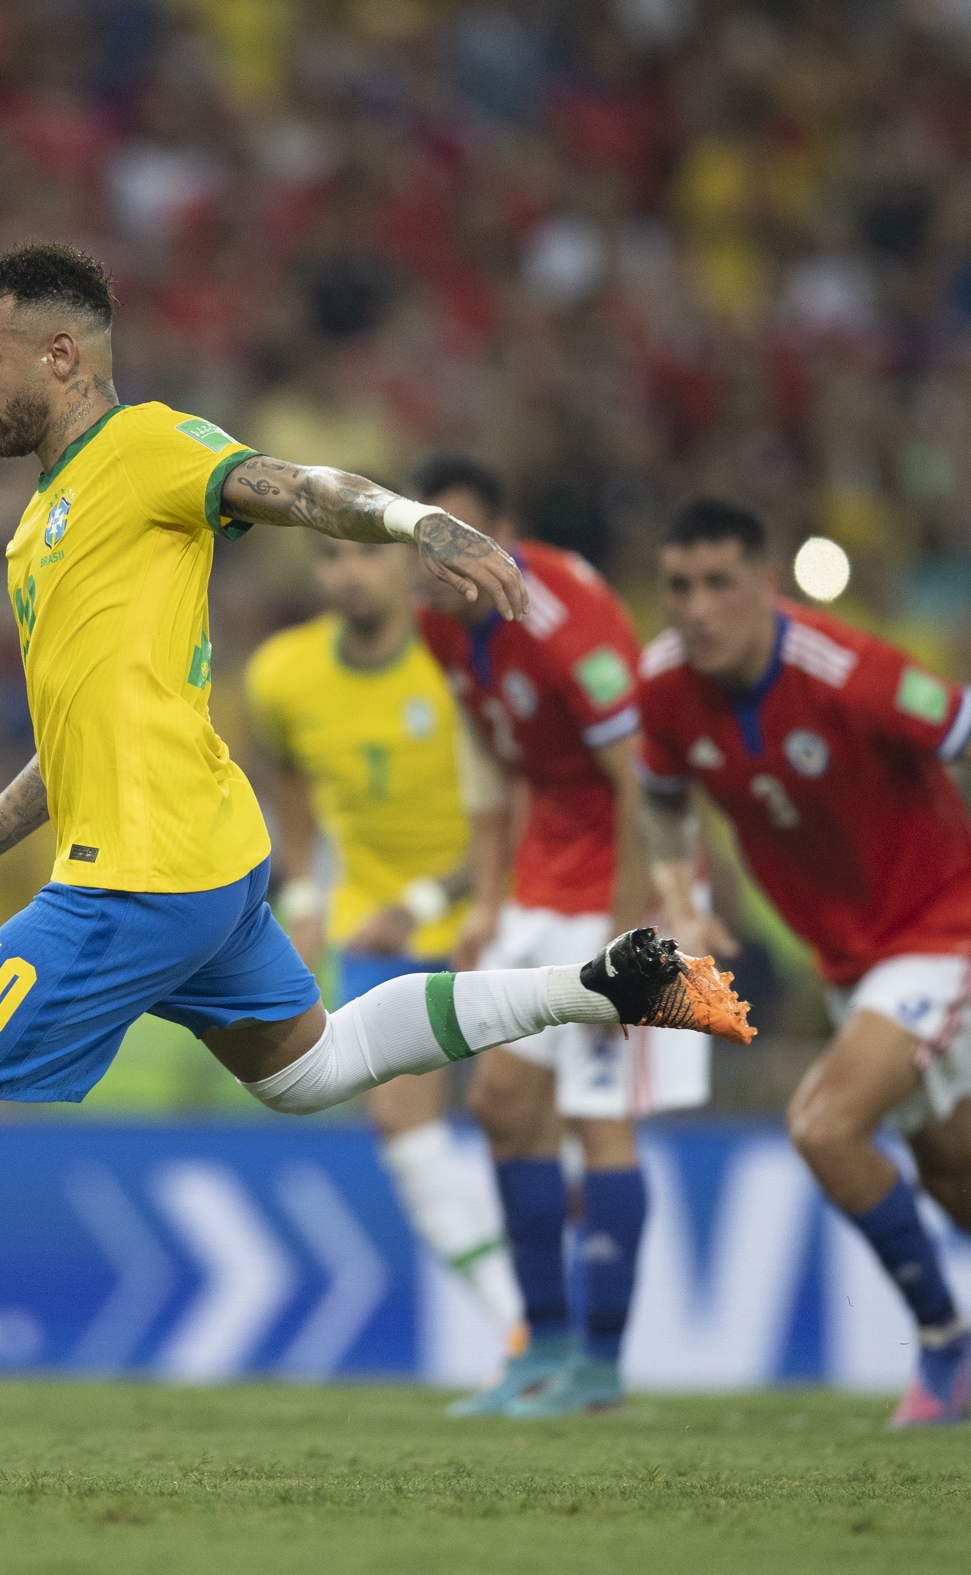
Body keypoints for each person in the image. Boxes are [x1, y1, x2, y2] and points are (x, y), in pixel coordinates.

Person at [0, 242, 752, 1479]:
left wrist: (418, 520)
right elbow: (71, 750)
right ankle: (601, 986)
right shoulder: (39, 530)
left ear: (62, 355)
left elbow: (292, 484)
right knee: (313, 1071)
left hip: (137, 878)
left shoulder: (148, 448)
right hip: (202, 862)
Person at [635, 498, 971, 1428]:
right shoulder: (662, 686)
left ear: (766, 587)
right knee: (962, 1178)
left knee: (822, 1125)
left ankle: (944, 1340)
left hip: (948, 933)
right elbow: (662, 796)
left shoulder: (849, 672)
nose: (697, 608)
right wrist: (683, 897)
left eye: (720, 583)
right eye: (679, 586)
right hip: (856, 961)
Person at [412, 455, 712, 1419]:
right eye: (433, 543)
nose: (447, 564)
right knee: (501, 1098)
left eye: (464, 542)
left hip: (634, 874)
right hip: (546, 870)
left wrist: (630, 938)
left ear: (500, 536)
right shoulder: (441, 625)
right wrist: (487, 900)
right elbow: (490, 766)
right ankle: (538, 1345)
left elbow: (645, 783)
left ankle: (599, 1365)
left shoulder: (560, 623)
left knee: (597, 1113)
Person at [244, 533, 523, 1355]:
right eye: (330, 557)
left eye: (365, 555)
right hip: (374, 927)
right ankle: (515, 1321)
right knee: (401, 1123)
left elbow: (520, 805)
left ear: (406, 563)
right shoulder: (280, 675)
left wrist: (430, 897)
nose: (349, 573)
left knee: (516, 1112)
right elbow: (287, 775)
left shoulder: (457, 665)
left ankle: (561, 1310)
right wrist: (302, 897)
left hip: (491, 910)